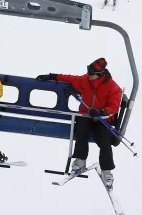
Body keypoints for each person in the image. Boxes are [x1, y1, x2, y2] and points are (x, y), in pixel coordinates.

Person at [36, 58, 123, 187]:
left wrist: (101, 112)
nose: (89, 75)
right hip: (86, 115)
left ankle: (107, 170)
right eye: (88, 71)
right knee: (81, 130)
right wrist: (52, 76)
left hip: (103, 119)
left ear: (100, 74)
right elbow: (70, 78)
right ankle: (80, 160)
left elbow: (114, 107)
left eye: (91, 73)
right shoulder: (85, 80)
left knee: (103, 139)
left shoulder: (113, 87)